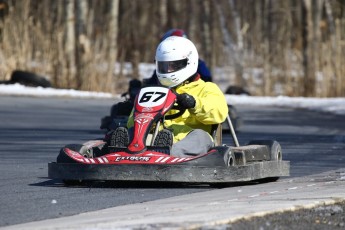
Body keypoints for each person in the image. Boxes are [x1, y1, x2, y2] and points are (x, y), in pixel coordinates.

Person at [122, 36, 228, 157]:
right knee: (132, 132)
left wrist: (194, 103)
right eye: (164, 66)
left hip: (190, 138)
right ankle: (123, 150)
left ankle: (169, 154)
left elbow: (219, 113)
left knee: (200, 136)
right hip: (159, 137)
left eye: (173, 66)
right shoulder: (154, 91)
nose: (168, 70)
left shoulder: (207, 88)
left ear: (189, 62)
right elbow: (132, 121)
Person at [143, 28, 212, 86]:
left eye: (174, 64)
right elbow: (153, 83)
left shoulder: (197, 64)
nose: (169, 68)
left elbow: (207, 81)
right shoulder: (162, 69)